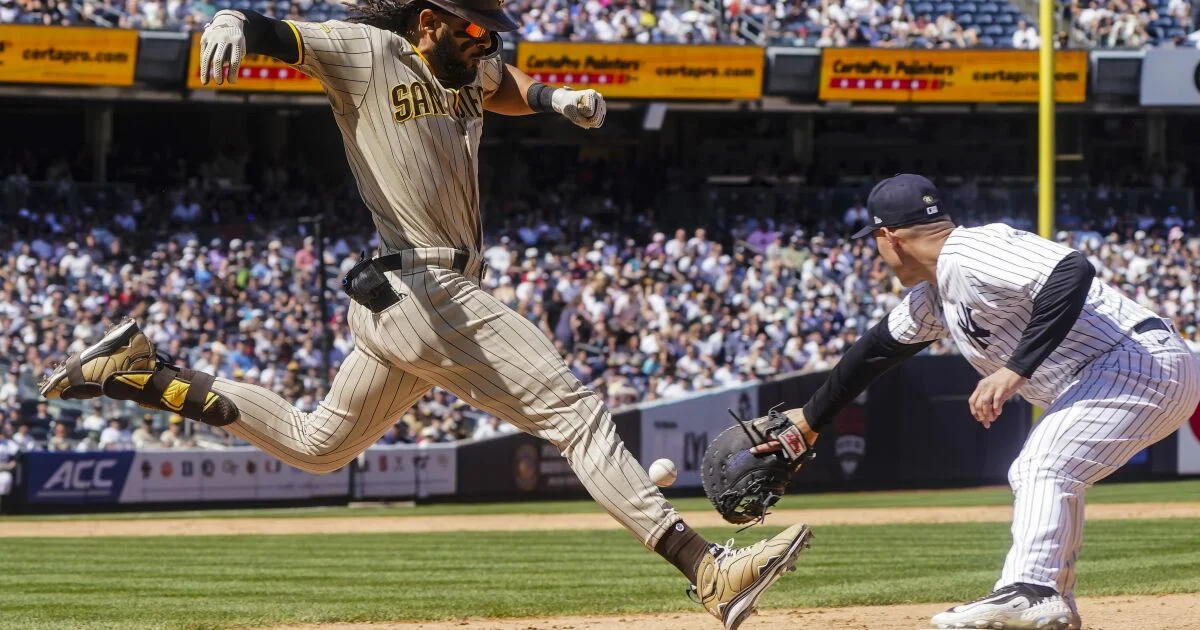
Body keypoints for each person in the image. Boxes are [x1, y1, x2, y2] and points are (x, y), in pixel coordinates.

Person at [38, 1, 810, 627]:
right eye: (474, 31)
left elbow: (501, 82)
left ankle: (140, 373)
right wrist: (235, 24)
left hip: (401, 302)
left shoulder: (467, 65)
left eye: (492, 34)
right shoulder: (366, 53)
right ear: (428, 18)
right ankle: (706, 568)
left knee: (317, 445)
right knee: (573, 413)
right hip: (423, 286)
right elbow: (283, 35)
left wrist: (549, 97)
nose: (486, 45)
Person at [751, 174, 1200, 630]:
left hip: (1137, 361)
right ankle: (1049, 599)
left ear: (889, 237)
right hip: (1119, 372)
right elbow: (877, 349)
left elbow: (1072, 270)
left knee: (1043, 467)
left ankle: (1032, 591)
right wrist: (810, 420)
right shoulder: (936, 294)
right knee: (1053, 468)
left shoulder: (970, 251)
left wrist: (1015, 368)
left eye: (875, 241)